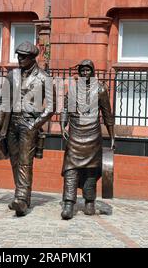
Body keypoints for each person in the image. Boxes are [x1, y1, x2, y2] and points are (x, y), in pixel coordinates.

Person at [0, 41, 54, 216]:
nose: (19, 59)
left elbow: (51, 108)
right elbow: (3, 101)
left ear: (32, 58)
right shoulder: (13, 75)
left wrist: (35, 125)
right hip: (11, 123)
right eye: (18, 55)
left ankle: (20, 198)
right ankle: (23, 197)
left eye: (23, 56)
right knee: (15, 160)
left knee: (25, 162)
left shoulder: (44, 78)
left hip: (29, 123)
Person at [60, 59, 115, 220]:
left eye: (87, 70)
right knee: (71, 168)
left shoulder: (101, 89)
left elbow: (107, 115)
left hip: (92, 134)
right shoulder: (73, 89)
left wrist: (112, 136)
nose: (85, 73)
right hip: (75, 133)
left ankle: (89, 200)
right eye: (82, 71)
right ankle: (68, 203)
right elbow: (66, 109)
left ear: (93, 71)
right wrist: (63, 125)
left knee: (91, 169)